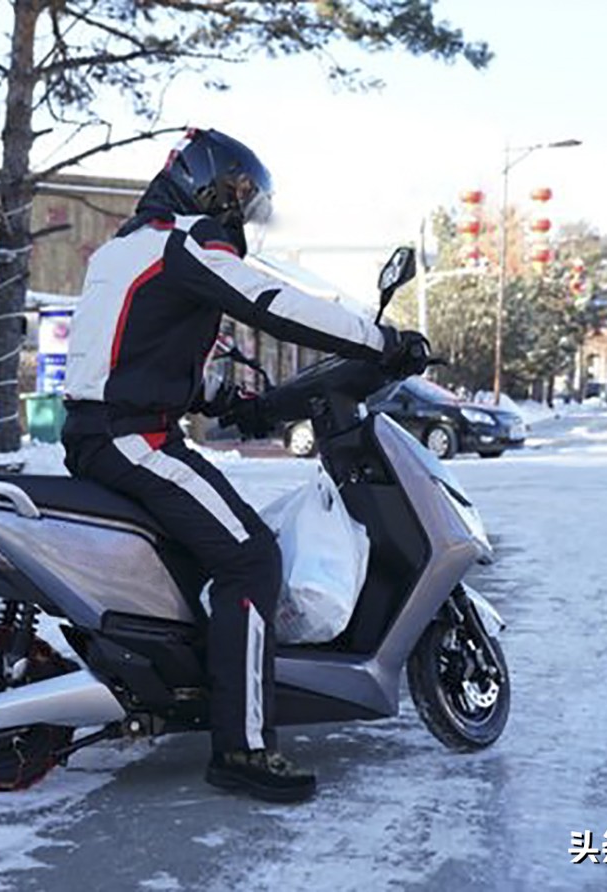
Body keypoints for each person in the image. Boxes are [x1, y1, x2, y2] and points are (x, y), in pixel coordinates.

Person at [61, 128, 429, 803]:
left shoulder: (130, 248)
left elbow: (127, 353)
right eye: (236, 195)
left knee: (207, 554)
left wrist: (227, 399)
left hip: (109, 429)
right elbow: (270, 303)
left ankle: (184, 686)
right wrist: (382, 341)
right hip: (131, 437)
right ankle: (244, 747)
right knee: (251, 558)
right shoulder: (182, 243)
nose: (239, 210)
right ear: (206, 182)